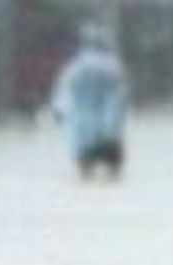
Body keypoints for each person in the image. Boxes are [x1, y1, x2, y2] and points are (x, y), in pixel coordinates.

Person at [50, 23, 130, 180]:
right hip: (109, 137)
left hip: (84, 138)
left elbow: (64, 92)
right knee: (112, 169)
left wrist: (58, 110)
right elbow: (120, 96)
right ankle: (111, 170)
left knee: (86, 170)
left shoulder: (75, 67)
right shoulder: (113, 67)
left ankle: (87, 171)